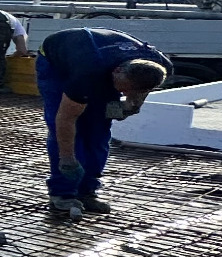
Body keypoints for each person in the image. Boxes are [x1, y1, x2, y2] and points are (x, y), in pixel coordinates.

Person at [36, 27, 172, 220]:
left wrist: (133, 104)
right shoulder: (86, 72)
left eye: (126, 90)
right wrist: (67, 158)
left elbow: (142, 87)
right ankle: (63, 193)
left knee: (98, 130)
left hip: (103, 61)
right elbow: (65, 119)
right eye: (121, 89)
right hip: (56, 62)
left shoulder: (159, 64)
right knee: (74, 129)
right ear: (116, 72)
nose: (121, 93)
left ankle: (87, 191)